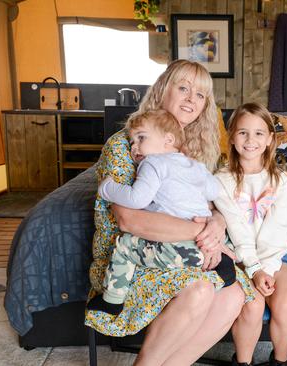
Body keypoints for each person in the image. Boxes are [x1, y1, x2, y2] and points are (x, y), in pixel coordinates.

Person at [85, 60, 255, 366]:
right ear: (163, 89)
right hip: (130, 259)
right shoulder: (127, 145)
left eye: (201, 94)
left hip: (184, 250)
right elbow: (129, 219)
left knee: (233, 296)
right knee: (200, 290)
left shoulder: (195, 151)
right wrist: (207, 236)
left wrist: (216, 222)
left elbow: (212, 202)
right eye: (183, 88)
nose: (192, 98)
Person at [87, 109, 236, 316]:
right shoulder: (195, 164)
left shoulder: (153, 163)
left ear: (168, 139)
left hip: (179, 247)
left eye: (141, 138)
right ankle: (221, 263)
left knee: (124, 245)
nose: (135, 146)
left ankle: (112, 301)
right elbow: (214, 190)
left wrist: (108, 188)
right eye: (132, 142)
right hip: (212, 244)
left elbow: (137, 199)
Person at [212, 103, 287, 366]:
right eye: (243, 133)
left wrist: (267, 269)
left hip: (275, 259)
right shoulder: (220, 180)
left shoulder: (280, 181)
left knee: (283, 306)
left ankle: (280, 361)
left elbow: (281, 229)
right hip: (240, 260)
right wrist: (254, 269)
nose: (251, 140)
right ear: (231, 137)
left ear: (271, 138)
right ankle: (243, 362)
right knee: (253, 304)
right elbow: (237, 228)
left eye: (259, 133)